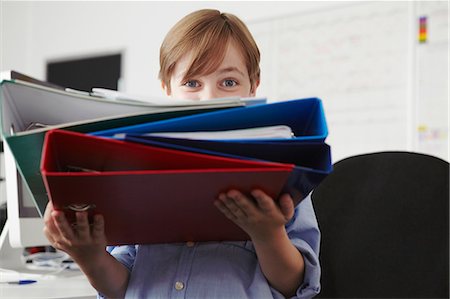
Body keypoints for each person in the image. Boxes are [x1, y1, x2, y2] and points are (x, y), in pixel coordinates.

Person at [43, 9, 321, 298]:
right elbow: (123, 287)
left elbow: (296, 285)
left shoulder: (282, 168)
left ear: (253, 85)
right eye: (192, 83)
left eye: (228, 82)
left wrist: (267, 235)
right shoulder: (136, 166)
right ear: (167, 88)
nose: (209, 98)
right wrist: (90, 257)